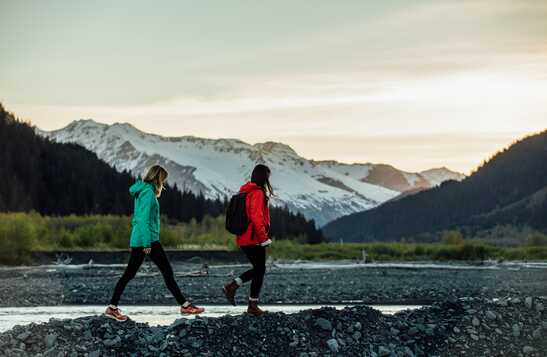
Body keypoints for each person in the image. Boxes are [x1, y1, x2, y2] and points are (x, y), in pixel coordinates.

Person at [104, 165, 205, 321]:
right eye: (163, 180)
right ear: (158, 178)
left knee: (131, 274)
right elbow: (143, 220)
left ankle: (112, 308)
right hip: (147, 240)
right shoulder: (148, 194)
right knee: (165, 272)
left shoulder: (142, 191)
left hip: (143, 239)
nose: (163, 183)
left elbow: (140, 218)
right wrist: (147, 244)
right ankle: (185, 306)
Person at [223, 164, 273, 316]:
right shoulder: (257, 193)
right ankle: (250, 303)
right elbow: (256, 217)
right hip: (254, 238)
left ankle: (236, 288)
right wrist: (264, 238)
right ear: (264, 177)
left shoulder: (246, 192)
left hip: (244, 237)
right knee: (260, 269)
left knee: (259, 269)